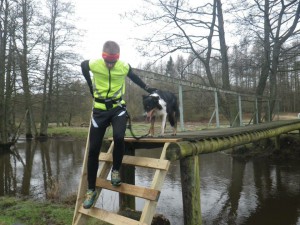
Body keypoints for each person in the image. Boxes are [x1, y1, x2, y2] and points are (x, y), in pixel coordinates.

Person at [81, 40, 156, 209]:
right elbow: (83, 66)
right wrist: (90, 86)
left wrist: (150, 89)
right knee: (93, 150)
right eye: (107, 61)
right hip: (99, 111)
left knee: (118, 137)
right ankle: (91, 190)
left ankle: (115, 171)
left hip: (117, 109)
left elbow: (135, 79)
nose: (109, 65)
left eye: (112, 62)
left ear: (117, 59)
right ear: (103, 57)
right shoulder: (94, 64)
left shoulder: (123, 66)